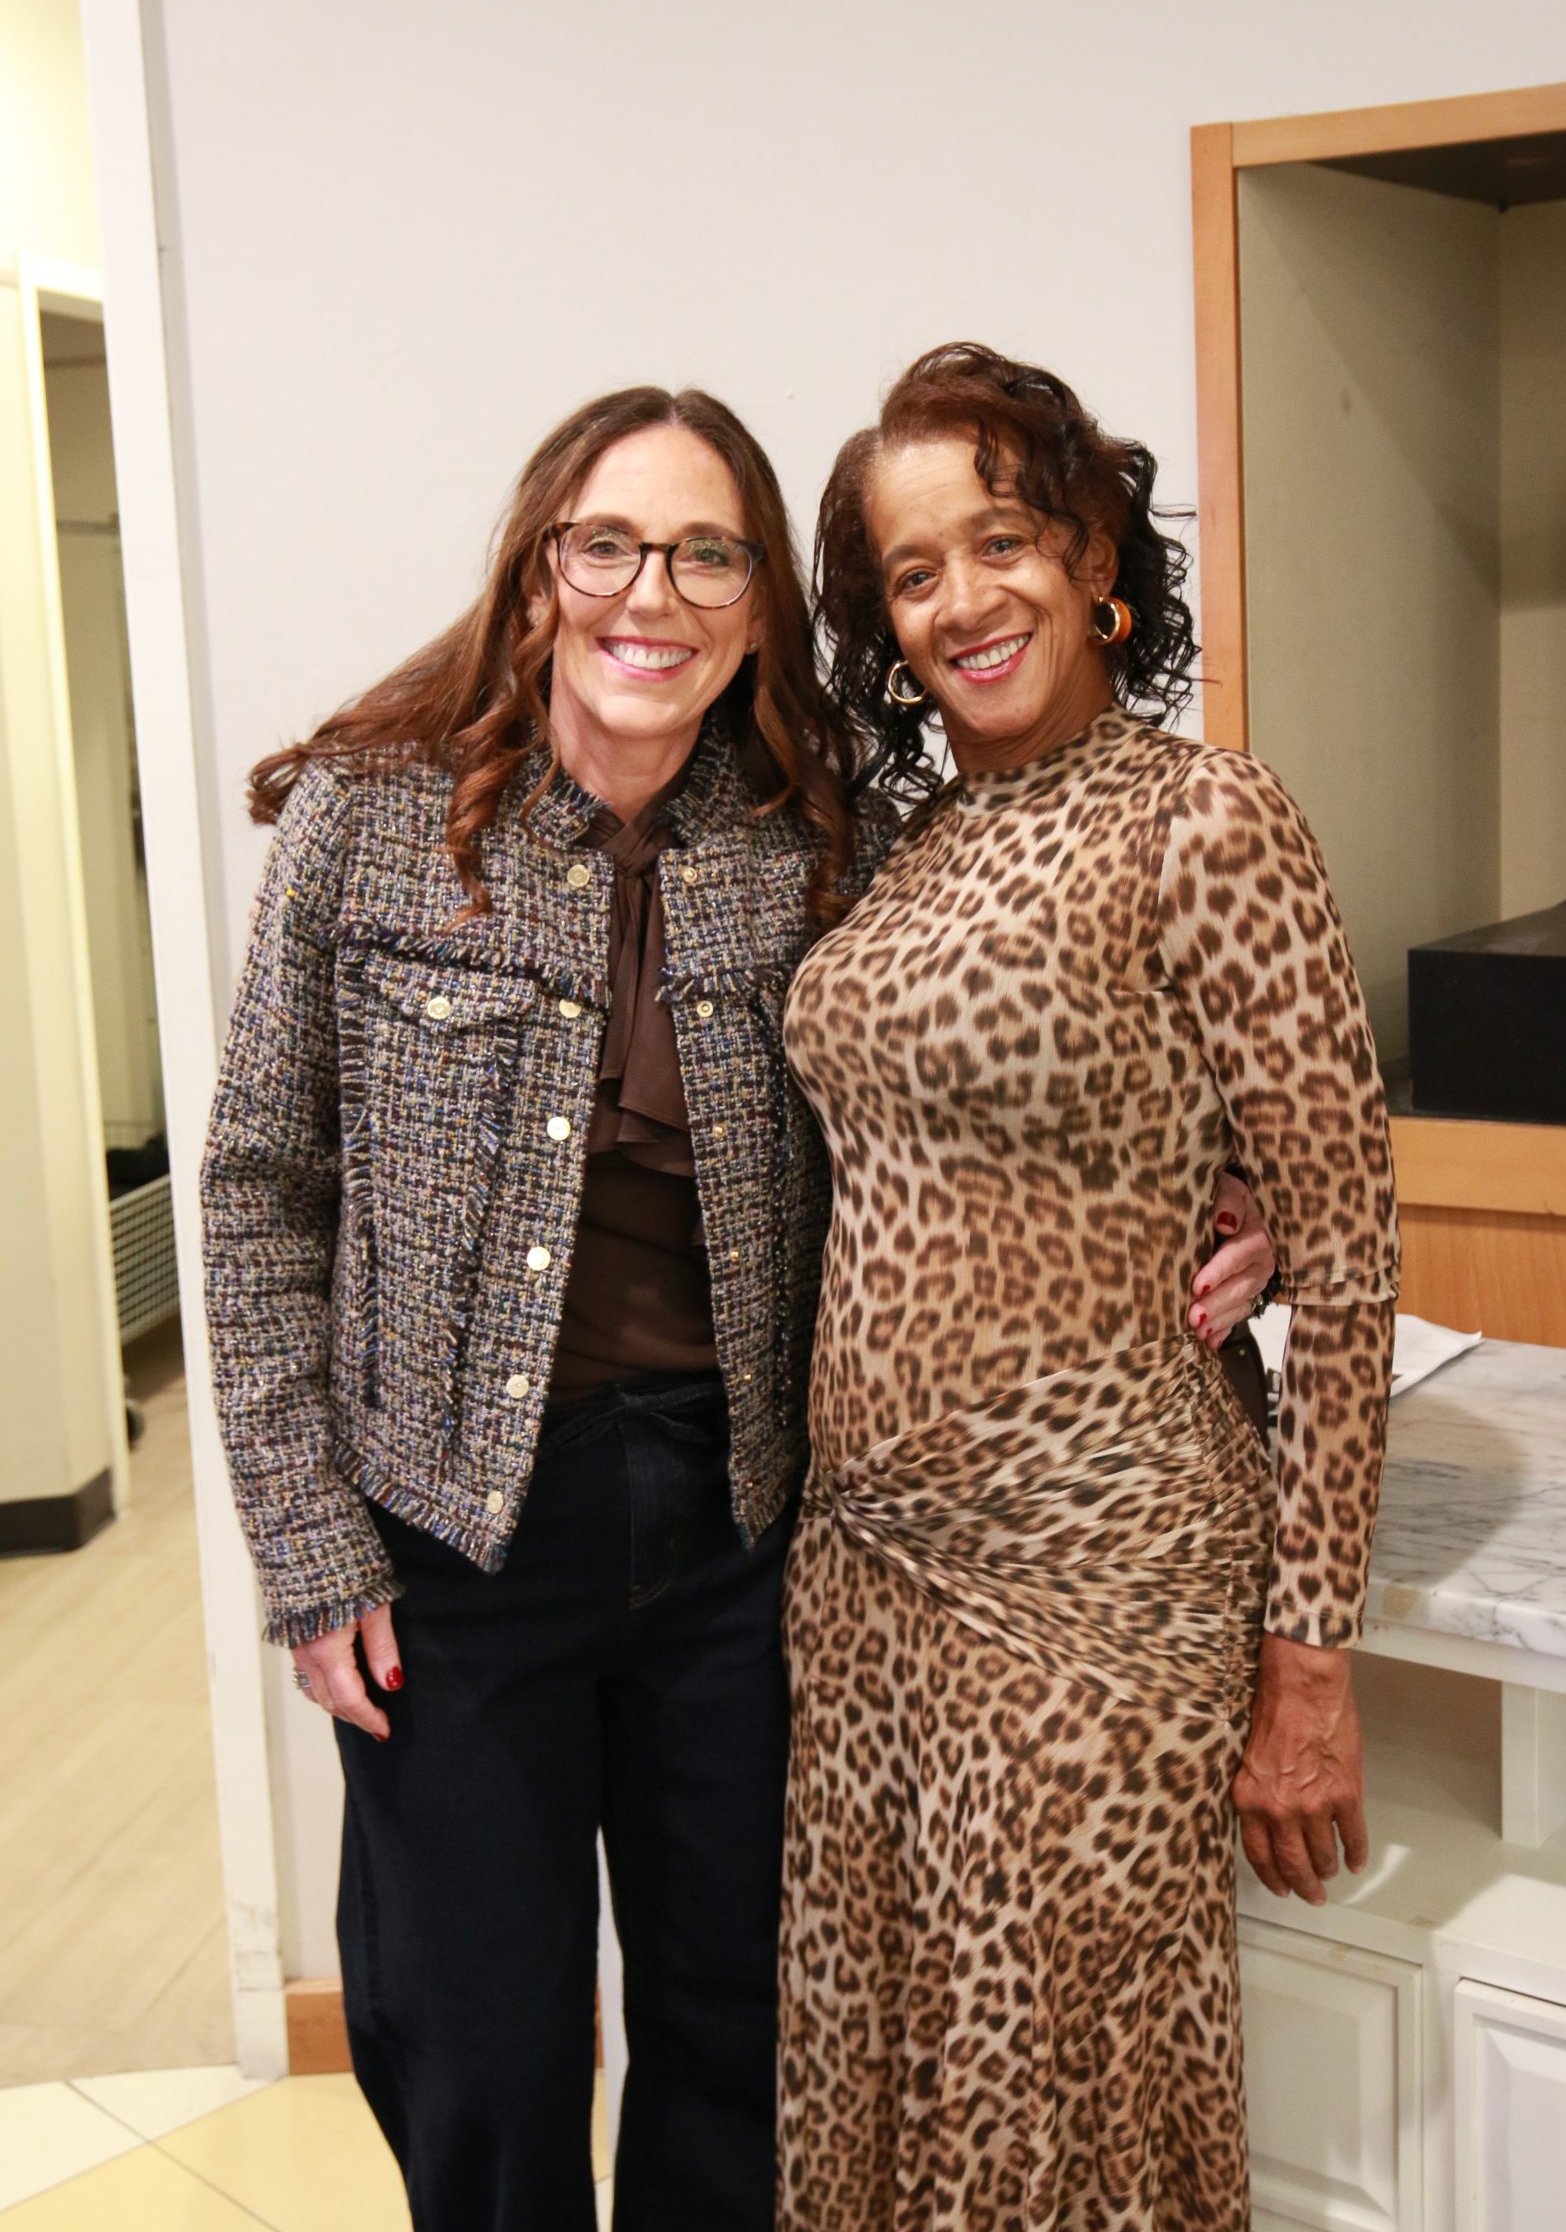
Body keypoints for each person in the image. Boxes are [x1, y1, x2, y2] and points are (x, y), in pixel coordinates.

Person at [199, 382, 1275, 2232]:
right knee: (478, 2043)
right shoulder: (370, 823)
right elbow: (254, 1192)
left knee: (737, 2035)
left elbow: (1025, 1030)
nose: (655, 594)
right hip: (459, 1541)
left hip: (741, 1532)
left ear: (761, 604)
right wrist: (308, 1548)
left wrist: (1228, 1182)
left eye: (709, 555)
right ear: (540, 571)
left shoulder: (822, 833)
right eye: (609, 545)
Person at [777, 343, 1398, 2232]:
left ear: (1095, 553)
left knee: (1056, 2136)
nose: (964, 599)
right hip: (865, 1593)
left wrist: (1308, 1668)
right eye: (914, 571)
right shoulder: (901, 849)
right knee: (882, 2100)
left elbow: (1349, 1265)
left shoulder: (1205, 819)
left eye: (1004, 540)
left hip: (1098, 1590)